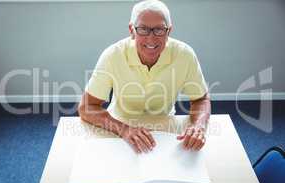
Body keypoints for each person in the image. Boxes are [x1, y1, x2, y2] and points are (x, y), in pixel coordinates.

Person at [78, 0, 211, 153]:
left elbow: (201, 99)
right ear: (131, 30)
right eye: (143, 29)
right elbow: (86, 107)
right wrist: (124, 130)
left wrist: (198, 126)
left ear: (169, 31)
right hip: (118, 125)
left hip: (165, 125)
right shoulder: (112, 55)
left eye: (159, 30)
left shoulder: (185, 54)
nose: (151, 38)